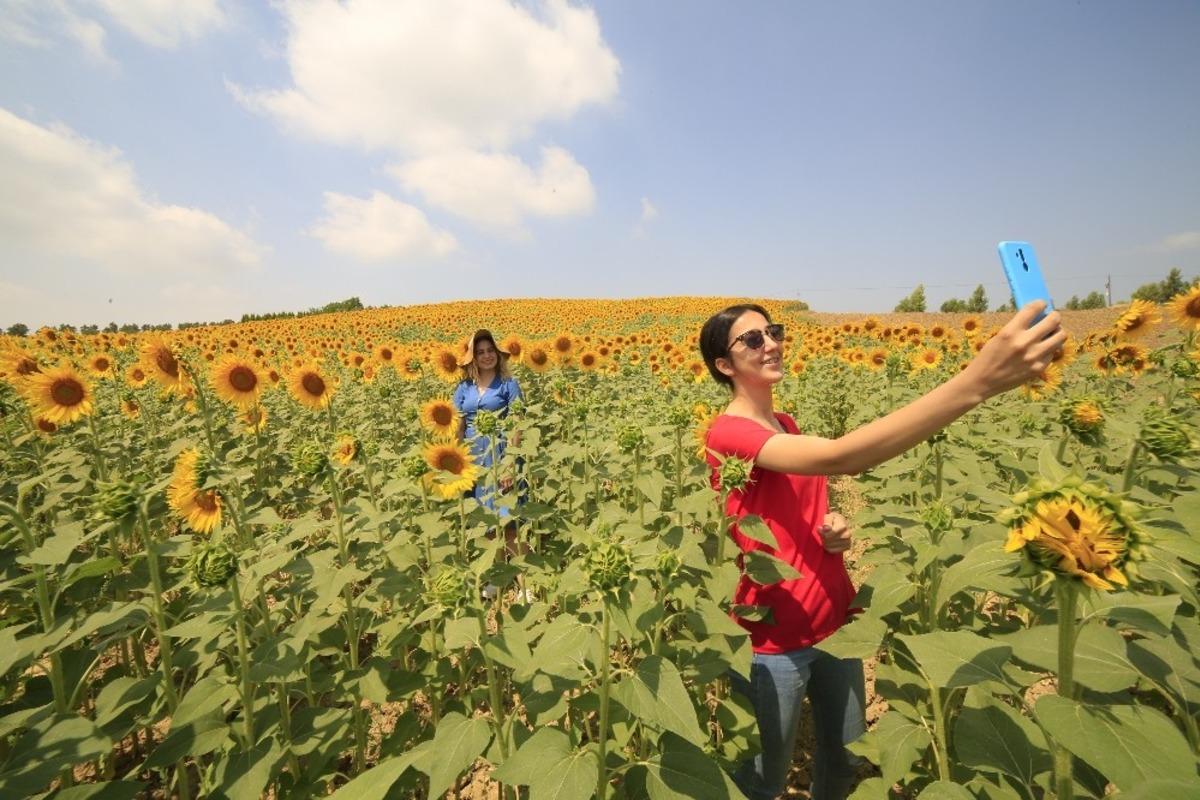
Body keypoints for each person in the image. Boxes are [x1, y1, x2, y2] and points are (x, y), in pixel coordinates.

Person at [699, 301, 1064, 800]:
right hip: (773, 636)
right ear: (724, 364)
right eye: (753, 340)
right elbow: (842, 457)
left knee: (847, 756)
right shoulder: (728, 433)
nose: (772, 344)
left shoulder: (784, 422)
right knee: (765, 778)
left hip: (836, 619)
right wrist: (975, 382)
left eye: (774, 332)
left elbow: (800, 506)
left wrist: (833, 527)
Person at [453, 329, 528, 599]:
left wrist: (509, 463)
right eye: (480, 352)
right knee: (487, 525)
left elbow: (517, 423)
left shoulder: (508, 384)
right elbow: (458, 425)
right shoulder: (464, 388)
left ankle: (526, 585)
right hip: (475, 461)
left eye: (490, 351)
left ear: (498, 355)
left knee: (509, 526)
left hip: (500, 456)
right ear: (472, 357)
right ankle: (498, 580)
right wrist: (457, 463)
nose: (486, 356)